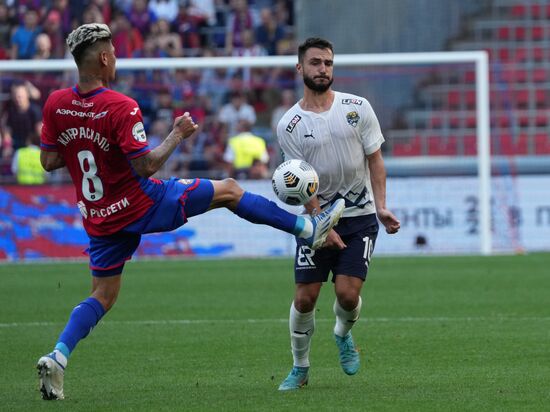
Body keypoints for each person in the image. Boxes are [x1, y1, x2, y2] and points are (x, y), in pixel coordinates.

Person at [36, 24, 345, 401]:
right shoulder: (120, 105)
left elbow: (49, 160)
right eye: (113, 52)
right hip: (143, 202)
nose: (116, 58)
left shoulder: (55, 103)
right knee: (230, 190)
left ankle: (58, 357)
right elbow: (146, 167)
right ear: (103, 58)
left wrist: (83, 143)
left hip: (99, 216)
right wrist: (178, 134)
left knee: (102, 294)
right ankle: (307, 229)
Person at [276, 37, 400, 391]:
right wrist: (319, 221)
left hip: (359, 216)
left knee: (347, 295)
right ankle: (300, 368)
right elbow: (298, 182)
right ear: (300, 68)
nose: (323, 69)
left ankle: (342, 334)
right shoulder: (290, 124)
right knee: (305, 298)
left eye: (328, 63)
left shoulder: (357, 107)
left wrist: (382, 206)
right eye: (315, 63)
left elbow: (375, 158)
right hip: (316, 219)